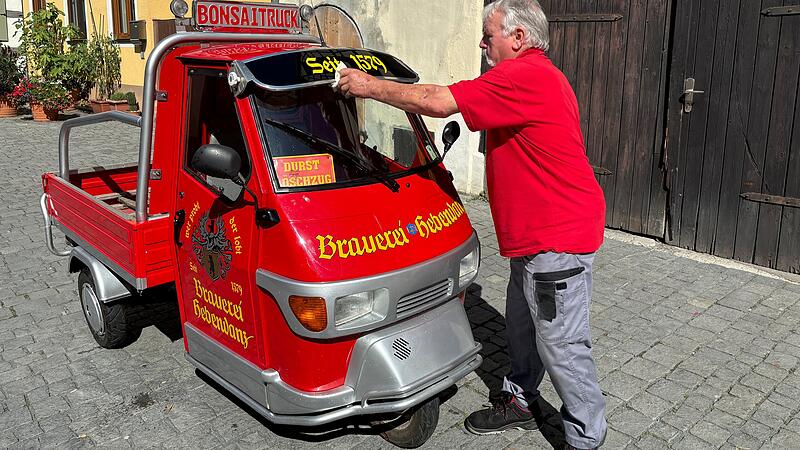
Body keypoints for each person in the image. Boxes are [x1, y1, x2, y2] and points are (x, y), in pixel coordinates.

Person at [336, 0, 607, 448]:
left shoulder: (523, 76)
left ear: (518, 38)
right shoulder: (537, 76)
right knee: (521, 326)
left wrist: (369, 86)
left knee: (562, 345)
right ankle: (521, 401)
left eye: (489, 34)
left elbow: (437, 101)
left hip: (556, 238)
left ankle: (586, 437)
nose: (482, 43)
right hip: (536, 238)